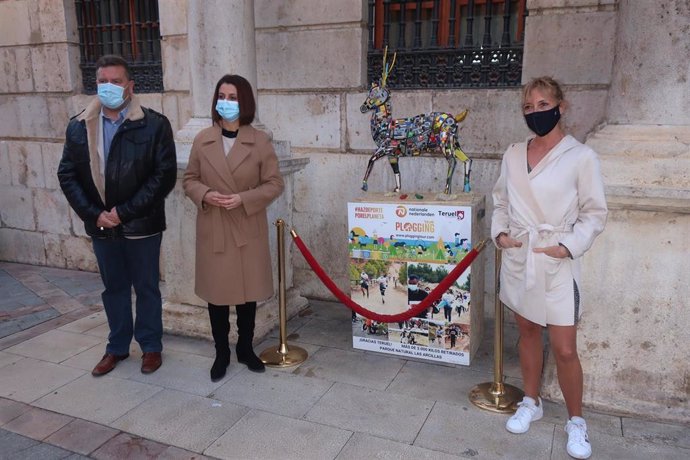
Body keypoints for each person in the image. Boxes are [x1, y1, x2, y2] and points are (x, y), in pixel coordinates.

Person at [491, 77, 607, 460]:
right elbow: (500, 202)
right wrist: (501, 234)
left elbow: (594, 213)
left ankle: (576, 421)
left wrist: (567, 246)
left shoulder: (581, 157)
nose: (535, 113)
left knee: (565, 347)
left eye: (543, 104)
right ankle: (531, 401)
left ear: (561, 105)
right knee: (525, 331)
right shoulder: (511, 154)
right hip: (520, 255)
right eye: (528, 107)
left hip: (557, 260)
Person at [57, 55, 177, 376]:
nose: (108, 87)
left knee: (147, 287)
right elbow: (67, 174)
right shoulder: (79, 126)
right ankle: (117, 347)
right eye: (102, 81)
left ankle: (150, 346)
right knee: (114, 289)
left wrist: (122, 212)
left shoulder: (154, 124)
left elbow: (162, 176)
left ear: (130, 86)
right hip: (101, 227)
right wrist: (95, 214)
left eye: (116, 81)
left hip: (141, 225)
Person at [183, 74, 284, 380]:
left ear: (245, 103)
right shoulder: (202, 140)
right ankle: (221, 352)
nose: (226, 103)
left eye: (233, 98)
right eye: (222, 97)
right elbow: (189, 180)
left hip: (246, 226)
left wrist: (243, 198)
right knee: (217, 295)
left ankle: (244, 348)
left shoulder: (260, 141)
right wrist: (205, 194)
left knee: (246, 294)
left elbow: (274, 183)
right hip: (214, 226)